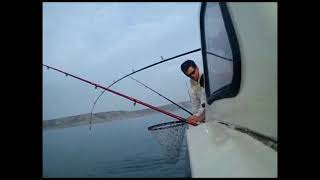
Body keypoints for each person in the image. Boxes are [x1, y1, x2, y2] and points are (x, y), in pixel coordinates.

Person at [180, 60, 206, 125]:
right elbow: (195, 104)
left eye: (193, 72)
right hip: (204, 113)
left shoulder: (206, 76)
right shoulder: (192, 82)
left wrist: (200, 117)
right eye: (189, 75)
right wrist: (195, 116)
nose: (192, 76)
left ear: (197, 67)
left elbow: (207, 102)